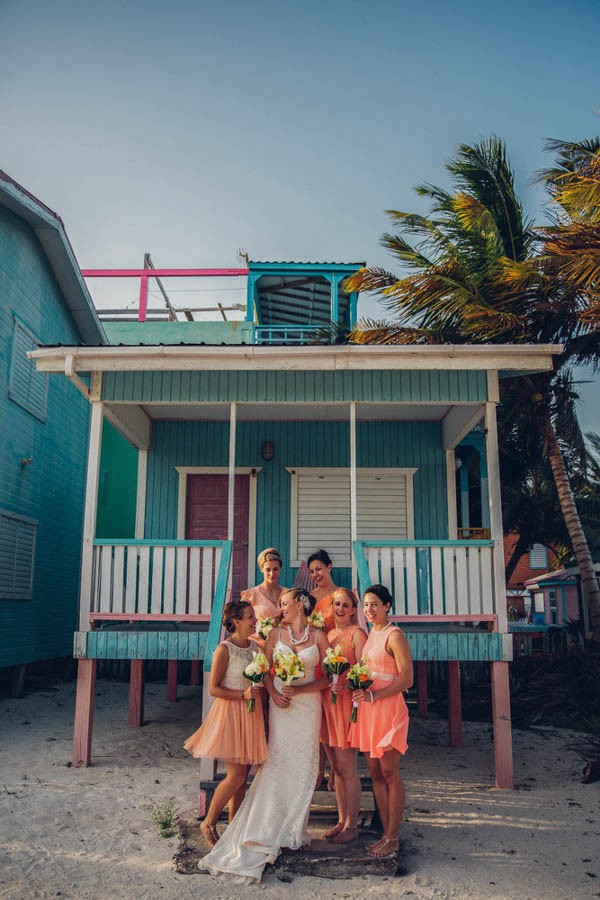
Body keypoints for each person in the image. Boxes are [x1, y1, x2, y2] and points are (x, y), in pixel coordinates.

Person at [200, 588, 329, 882]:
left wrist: (300, 689)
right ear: (236, 621)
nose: (278, 609)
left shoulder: (318, 635)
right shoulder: (270, 637)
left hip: (306, 706)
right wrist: (274, 692)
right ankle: (225, 823)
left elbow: (326, 677)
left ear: (300, 604)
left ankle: (292, 826)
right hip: (270, 707)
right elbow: (267, 672)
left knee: (299, 764)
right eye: (250, 617)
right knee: (268, 764)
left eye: (284, 604)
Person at [183, 600, 267, 848]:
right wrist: (242, 695)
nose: (255, 620)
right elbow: (214, 688)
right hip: (231, 712)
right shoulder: (224, 649)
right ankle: (208, 821)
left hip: (251, 714)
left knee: (244, 776)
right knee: (236, 775)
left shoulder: (255, 647)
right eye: (251, 616)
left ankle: (235, 827)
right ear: (237, 621)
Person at [349, 584, 413, 859]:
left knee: (390, 773)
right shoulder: (371, 634)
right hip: (368, 710)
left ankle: (393, 836)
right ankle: (386, 834)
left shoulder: (394, 635)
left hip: (387, 708)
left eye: (375, 604)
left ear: (387, 605)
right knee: (374, 773)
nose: (369, 609)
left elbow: (406, 679)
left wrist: (375, 696)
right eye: (365, 605)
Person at [321, 588, 367, 843]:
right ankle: (341, 820)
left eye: (345, 605)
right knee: (336, 769)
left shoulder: (357, 634)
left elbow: (363, 671)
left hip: (346, 704)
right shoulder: (328, 635)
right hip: (328, 703)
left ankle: (352, 824)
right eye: (336, 604)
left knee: (348, 768)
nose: (340, 608)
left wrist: (347, 684)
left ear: (352, 609)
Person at [241, 548, 287, 644]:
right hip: (258, 645)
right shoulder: (250, 595)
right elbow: (242, 624)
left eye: (275, 569)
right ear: (261, 569)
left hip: (283, 645)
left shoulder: (288, 594)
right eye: (268, 570)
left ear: (280, 569)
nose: (272, 574)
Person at [308, 549, 338, 633]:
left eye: (318, 569)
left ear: (329, 567)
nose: (315, 574)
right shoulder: (310, 596)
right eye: (311, 571)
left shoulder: (341, 594)